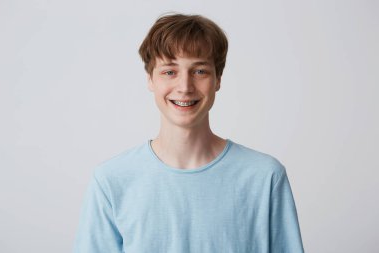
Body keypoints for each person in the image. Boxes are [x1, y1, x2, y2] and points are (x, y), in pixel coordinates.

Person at [73, 13, 304, 253]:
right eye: (169, 72)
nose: (185, 87)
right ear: (150, 79)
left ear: (218, 80)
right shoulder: (112, 180)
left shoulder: (264, 177)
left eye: (200, 71)